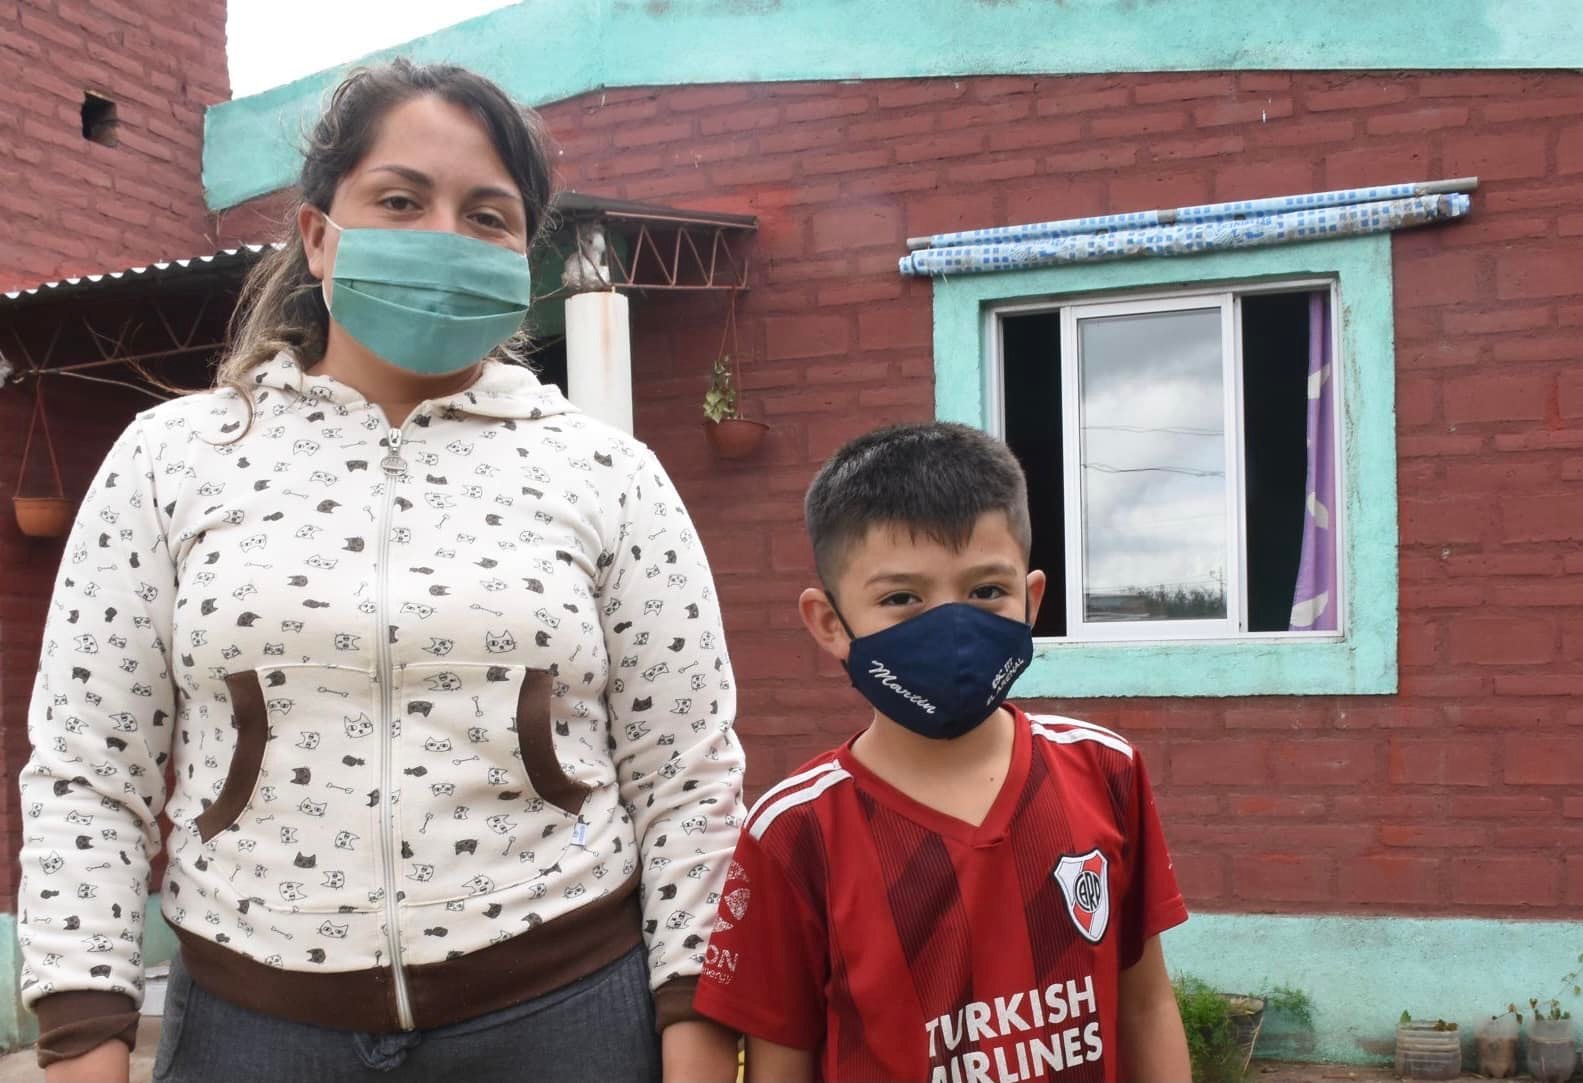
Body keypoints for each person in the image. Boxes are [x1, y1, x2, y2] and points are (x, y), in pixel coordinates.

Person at [19, 58, 745, 1083]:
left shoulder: (607, 474)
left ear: (522, 253)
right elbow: (89, 768)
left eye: (486, 217)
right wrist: (80, 1034)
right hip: (253, 1030)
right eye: (400, 202)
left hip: (564, 1020)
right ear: (318, 236)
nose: (444, 238)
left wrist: (696, 1031)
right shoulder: (172, 459)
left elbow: (689, 779)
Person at [693, 422, 1192, 1083]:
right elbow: (781, 1064)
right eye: (902, 598)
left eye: (986, 591)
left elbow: (1146, 1004)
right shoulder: (794, 831)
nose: (951, 628)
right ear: (829, 623)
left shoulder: (1105, 769)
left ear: (1031, 601)